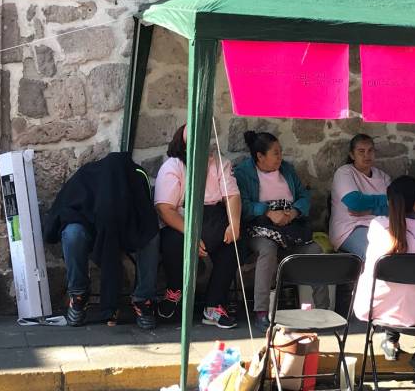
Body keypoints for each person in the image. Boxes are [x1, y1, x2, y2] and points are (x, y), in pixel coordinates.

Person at [45, 152, 160, 329]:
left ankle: (143, 299)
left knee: (151, 236)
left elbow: (144, 214)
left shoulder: (136, 176)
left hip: (126, 227)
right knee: (72, 233)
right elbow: (68, 207)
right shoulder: (86, 176)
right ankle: (78, 294)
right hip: (91, 226)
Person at [234, 131, 329, 332]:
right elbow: (242, 205)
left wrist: (294, 212)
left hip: (290, 228)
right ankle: (261, 311)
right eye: (275, 153)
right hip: (259, 229)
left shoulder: (286, 169)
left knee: (315, 250)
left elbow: (304, 196)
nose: (280, 157)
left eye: (280, 152)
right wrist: (268, 212)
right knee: (268, 249)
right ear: (260, 156)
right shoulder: (243, 173)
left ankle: (323, 310)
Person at [353, 176, 415, 376]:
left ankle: (391, 341)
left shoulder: (376, 227)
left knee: (393, 285)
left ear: (389, 203)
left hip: (373, 308)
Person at [155, 125, 242, 329]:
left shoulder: (219, 163)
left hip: (213, 217)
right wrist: (192, 235)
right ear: (185, 147)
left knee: (234, 244)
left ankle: (214, 305)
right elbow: (164, 208)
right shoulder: (173, 167)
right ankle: (174, 292)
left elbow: (231, 195)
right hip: (182, 220)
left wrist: (234, 224)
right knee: (173, 243)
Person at [329, 134, 392, 259]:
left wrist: (370, 211)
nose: (366, 155)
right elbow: (355, 202)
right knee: (376, 253)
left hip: (382, 226)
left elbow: (395, 207)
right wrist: (386, 200)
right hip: (350, 229)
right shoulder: (344, 172)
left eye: (370, 151)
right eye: (361, 151)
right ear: (352, 155)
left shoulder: (383, 177)